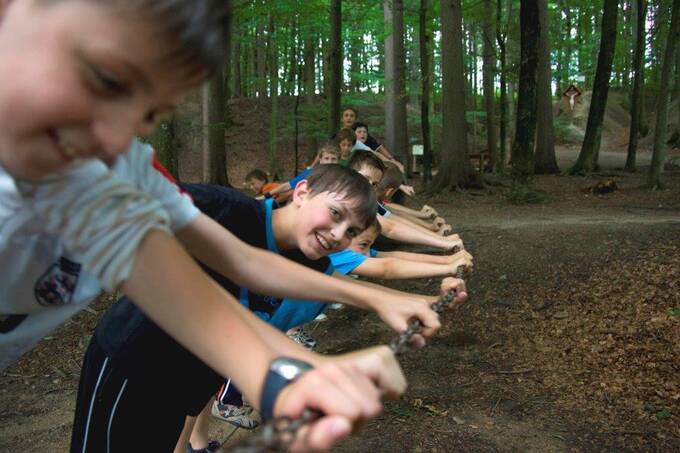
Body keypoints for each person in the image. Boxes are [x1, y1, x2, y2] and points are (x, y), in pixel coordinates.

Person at [0, 1, 416, 451]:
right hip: (130, 364)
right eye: (107, 78)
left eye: (147, 114)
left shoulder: (116, 175)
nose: (111, 131)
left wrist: (294, 379)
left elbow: (199, 284)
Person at [167, 166, 466, 451]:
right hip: (144, 366)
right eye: (335, 213)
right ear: (301, 193)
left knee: (185, 409)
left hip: (201, 365)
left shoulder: (310, 257)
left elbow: (348, 288)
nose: (338, 235)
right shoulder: (228, 208)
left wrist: (424, 303)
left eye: (351, 232)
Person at [347, 152, 464, 252]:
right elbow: (391, 227)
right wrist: (440, 240)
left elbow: (394, 217)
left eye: (374, 184)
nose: (369, 186)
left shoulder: (365, 200)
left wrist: (432, 229)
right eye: (365, 178)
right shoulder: (350, 202)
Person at [330, 218, 473, 280]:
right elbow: (387, 268)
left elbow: (392, 256)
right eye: (363, 245)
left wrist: (447, 260)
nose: (368, 253)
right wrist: (448, 268)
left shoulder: (349, 248)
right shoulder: (339, 255)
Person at [260, 142, 340, 201]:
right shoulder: (311, 173)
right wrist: (266, 195)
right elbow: (287, 185)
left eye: (333, 159)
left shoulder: (343, 177)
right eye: (326, 158)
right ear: (320, 160)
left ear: (338, 161)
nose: (330, 162)